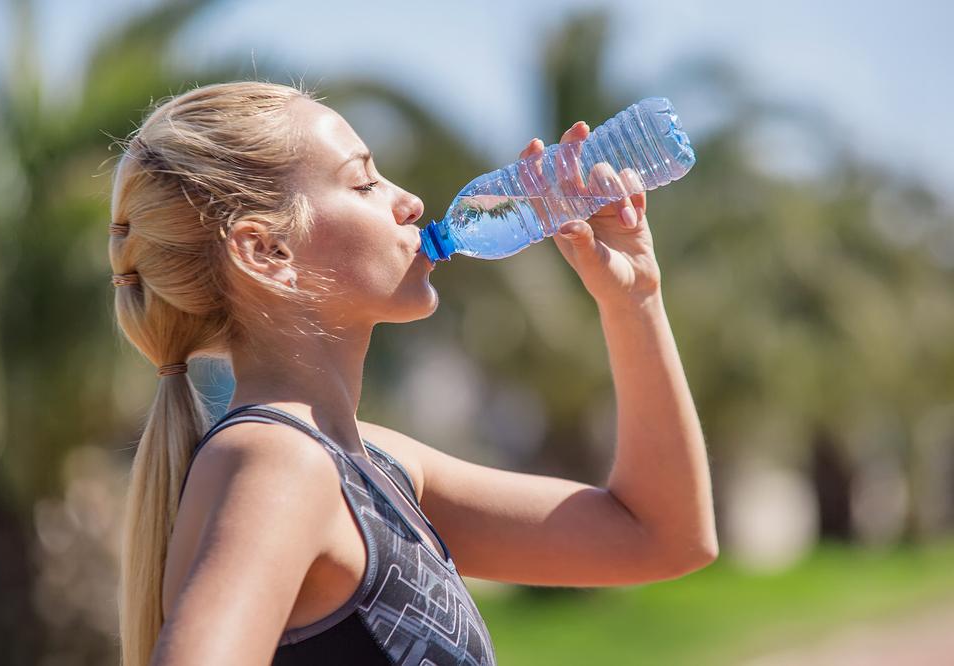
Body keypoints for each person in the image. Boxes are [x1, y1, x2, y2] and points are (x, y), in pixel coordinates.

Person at [107, 80, 718, 666]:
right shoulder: (278, 461)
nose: (412, 203)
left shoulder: (376, 467)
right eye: (364, 181)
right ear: (267, 252)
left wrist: (634, 298)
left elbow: (661, 537)